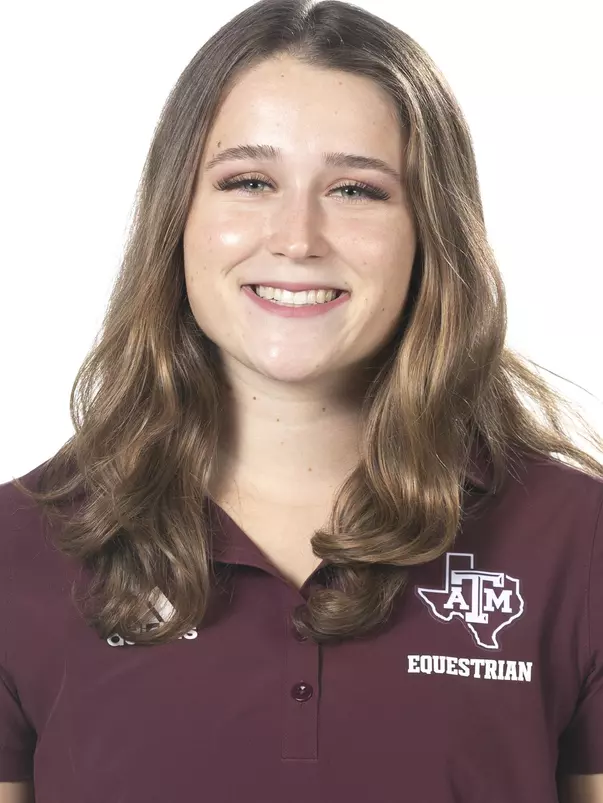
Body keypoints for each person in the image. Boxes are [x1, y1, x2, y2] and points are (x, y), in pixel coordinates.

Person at [1, 0, 602, 801]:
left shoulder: (575, 542)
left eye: (356, 190)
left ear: (431, 231)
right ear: (177, 214)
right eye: (248, 181)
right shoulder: (21, 546)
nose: (297, 236)